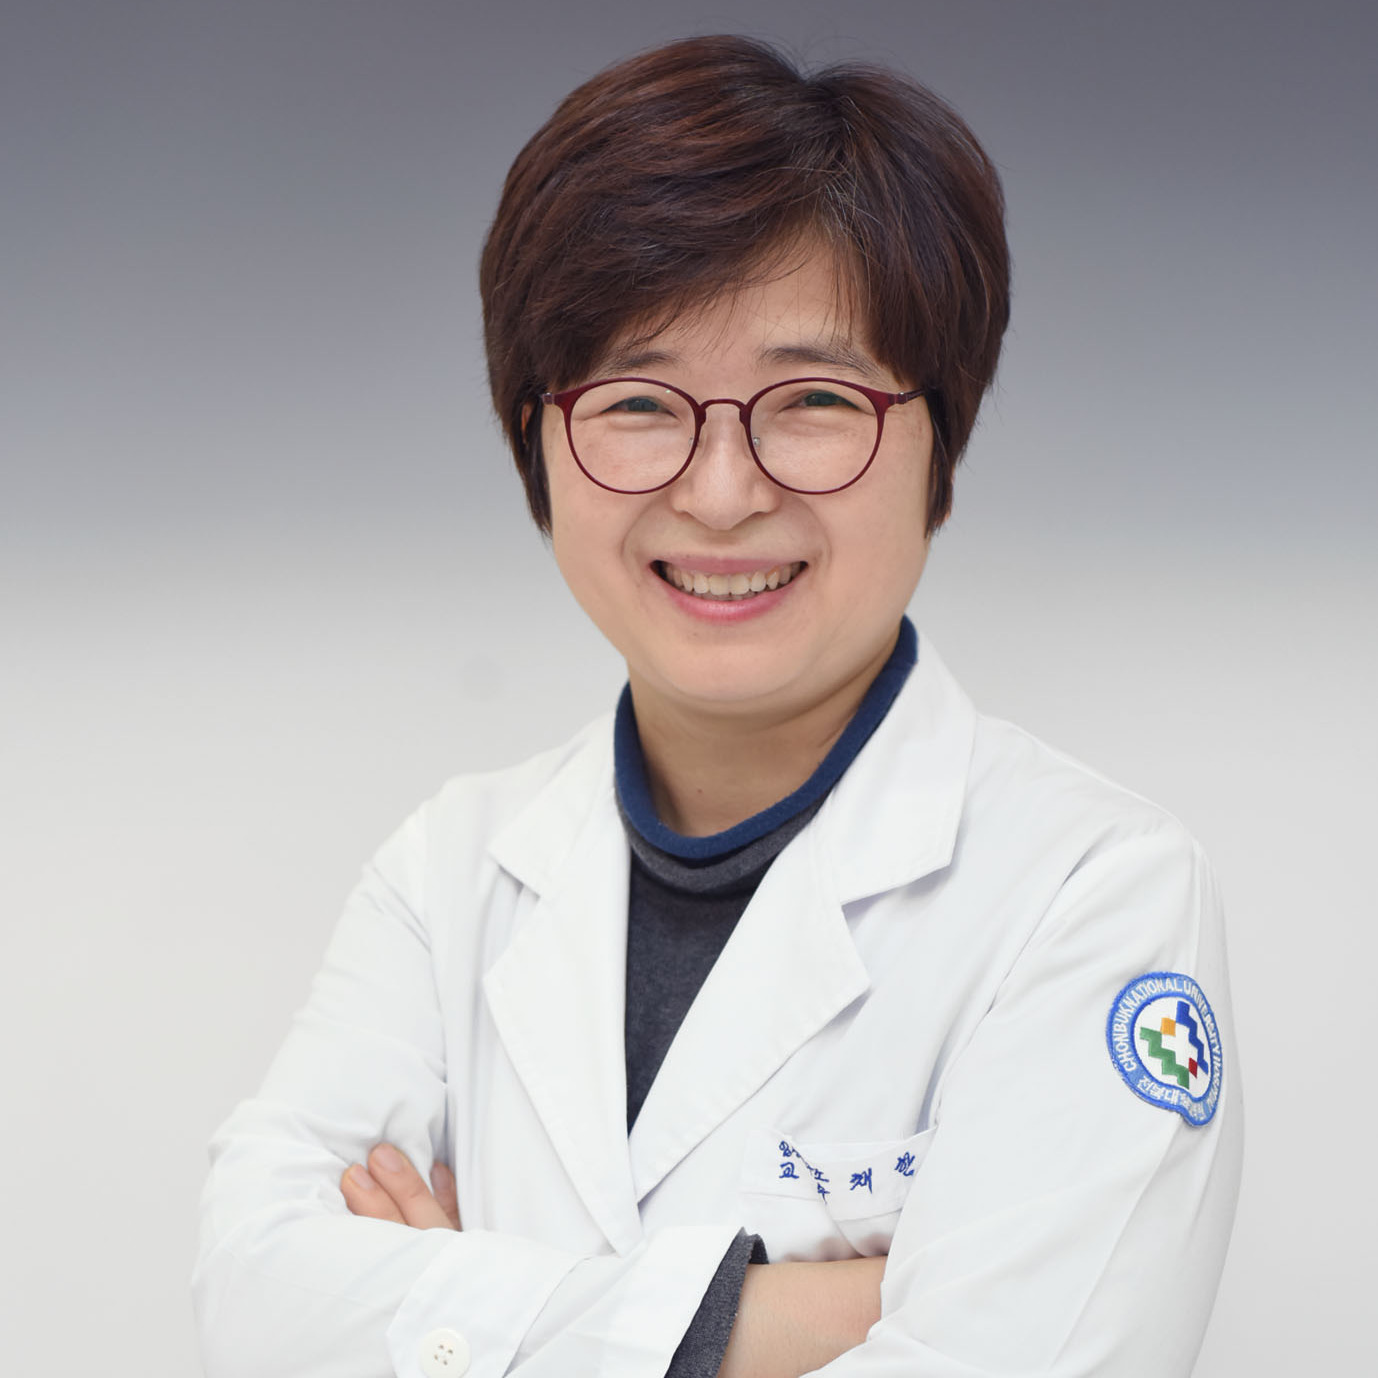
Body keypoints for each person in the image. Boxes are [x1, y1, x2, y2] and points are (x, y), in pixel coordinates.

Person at [193, 34, 1241, 1378]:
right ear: (535, 438)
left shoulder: (1094, 895)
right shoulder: (449, 871)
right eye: (639, 400)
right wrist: (790, 1316)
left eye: (813, 400)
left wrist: (455, 1309)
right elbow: (254, 1304)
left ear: (941, 438)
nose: (723, 491)